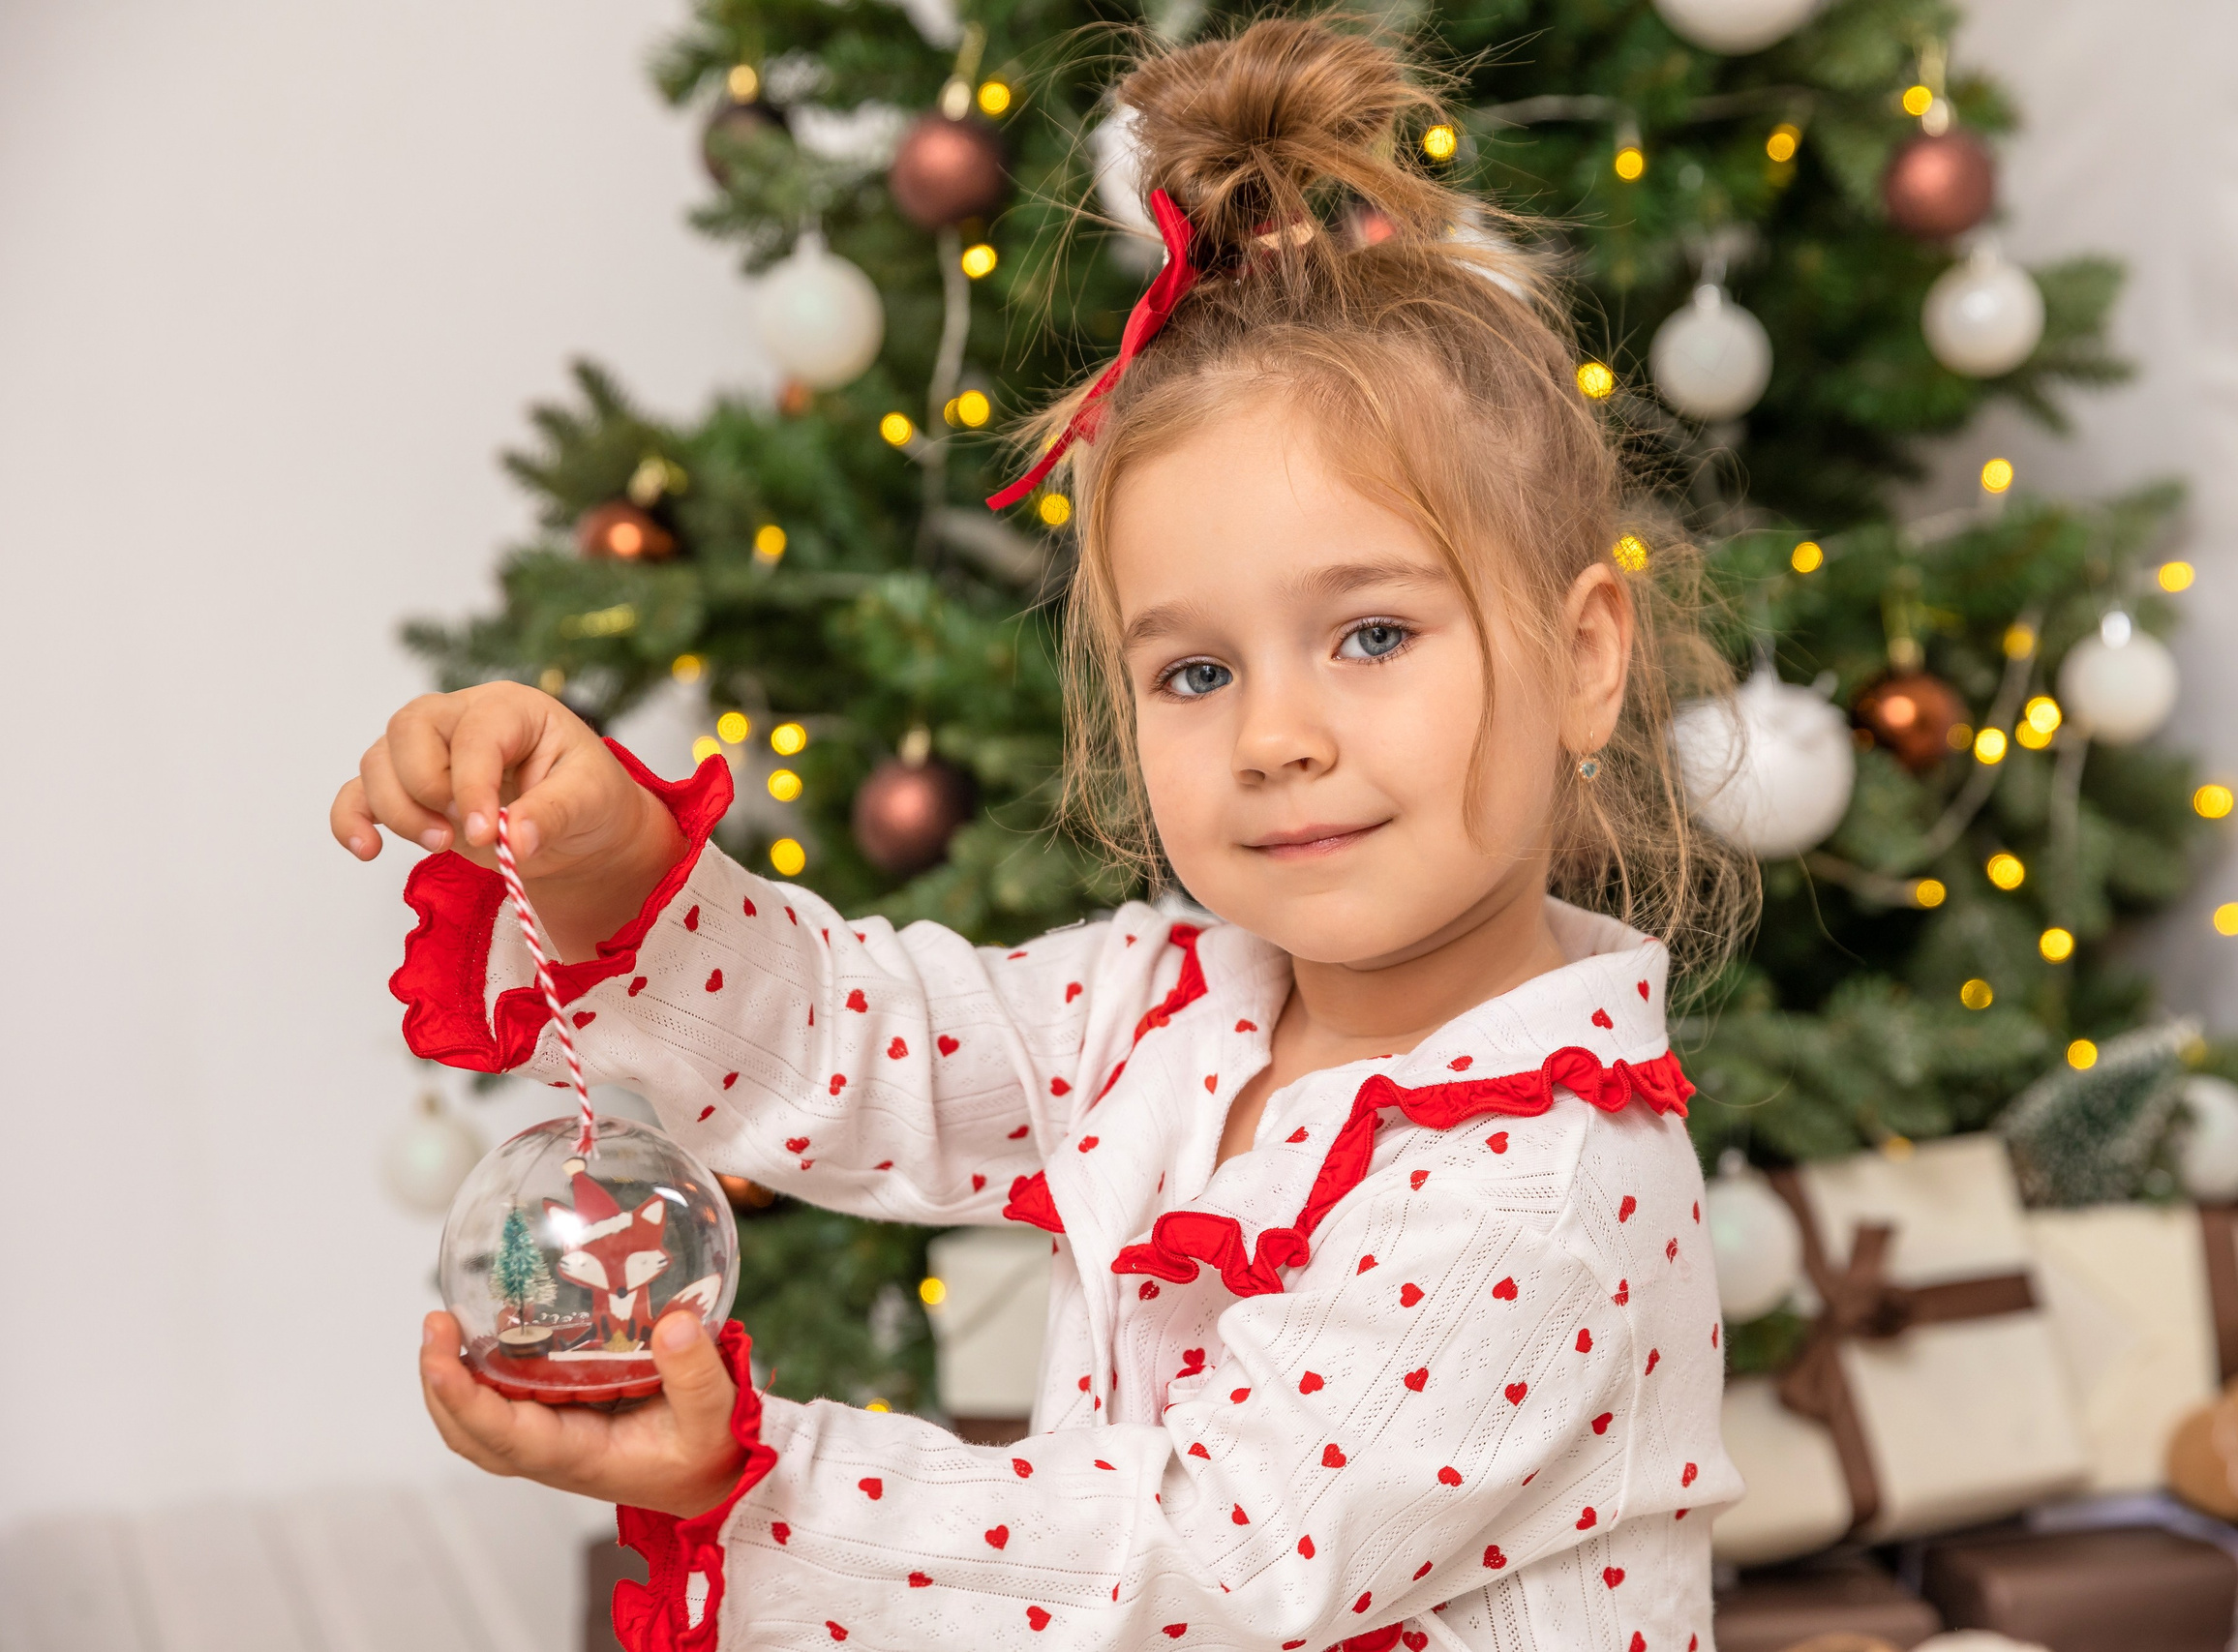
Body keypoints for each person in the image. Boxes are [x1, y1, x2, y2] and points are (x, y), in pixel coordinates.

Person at [334, 16, 1755, 1651]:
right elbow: (868, 1042)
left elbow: (1204, 1563)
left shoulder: (1544, 1192)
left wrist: (753, 1479)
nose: (1278, 737)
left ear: (1586, 659)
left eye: (1372, 635)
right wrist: (606, 868)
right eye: (1198, 670)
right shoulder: (1172, 1002)